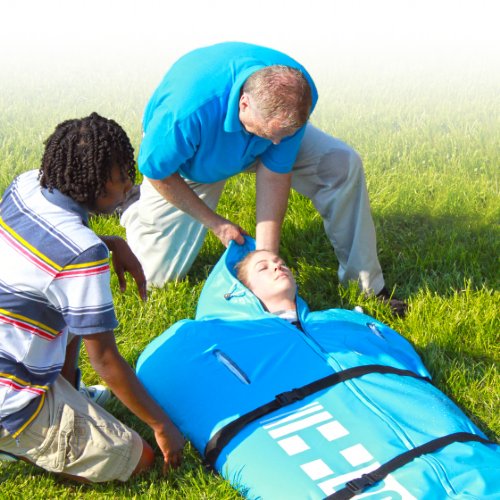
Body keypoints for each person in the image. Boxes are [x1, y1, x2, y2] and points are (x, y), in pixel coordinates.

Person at [120, 41, 407, 316]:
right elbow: (157, 172)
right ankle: (133, 204)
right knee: (154, 278)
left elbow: (274, 172)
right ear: (244, 103)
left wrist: (265, 265)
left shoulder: (296, 93)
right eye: (271, 133)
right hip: (192, 163)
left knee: (342, 164)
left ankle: (368, 287)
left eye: (285, 134)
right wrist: (216, 224)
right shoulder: (184, 115)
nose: (278, 144)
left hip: (257, 131)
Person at [0, 113, 184, 483]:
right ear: (98, 187)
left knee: (71, 310)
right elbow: (104, 358)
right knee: (138, 462)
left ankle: (66, 395)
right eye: (122, 178)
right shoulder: (81, 254)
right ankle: (13, 442)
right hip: (11, 401)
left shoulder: (26, 186)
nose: (128, 184)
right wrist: (161, 425)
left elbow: (39, 260)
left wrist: (112, 242)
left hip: (12, 348)